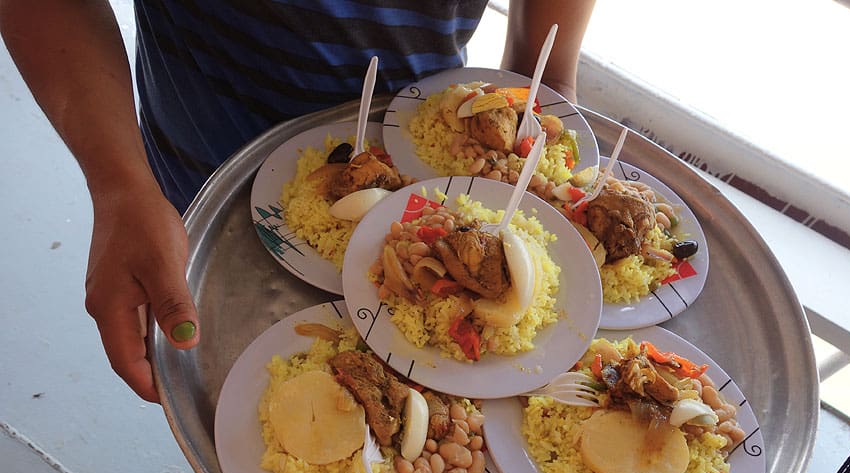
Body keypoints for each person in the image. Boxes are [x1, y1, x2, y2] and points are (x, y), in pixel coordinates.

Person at [0, 0, 595, 404]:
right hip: (191, 168)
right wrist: (118, 184)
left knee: (404, 368)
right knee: (248, 379)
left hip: (414, 172)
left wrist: (546, 85)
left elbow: (542, 61)